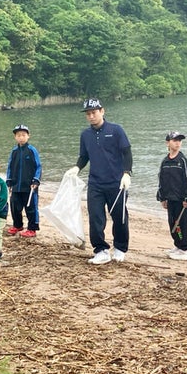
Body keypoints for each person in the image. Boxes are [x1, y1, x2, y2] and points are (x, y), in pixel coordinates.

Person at [65, 98, 133, 264]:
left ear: (102, 111)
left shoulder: (116, 130)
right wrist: (77, 168)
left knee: (119, 216)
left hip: (116, 182)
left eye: (94, 112)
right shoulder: (85, 135)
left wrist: (127, 173)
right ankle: (101, 250)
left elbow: (127, 152)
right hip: (95, 183)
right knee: (95, 217)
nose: (91, 116)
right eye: (88, 114)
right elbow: (84, 156)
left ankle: (120, 248)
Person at [156, 131, 187, 261]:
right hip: (170, 199)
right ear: (167, 143)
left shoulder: (182, 161)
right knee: (173, 223)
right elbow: (162, 180)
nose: (178, 143)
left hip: (181, 200)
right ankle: (178, 245)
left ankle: (184, 249)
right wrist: (162, 197)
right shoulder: (165, 161)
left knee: (181, 225)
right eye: (175, 140)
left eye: (179, 141)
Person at [6, 124, 42, 238]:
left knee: (31, 208)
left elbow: (38, 166)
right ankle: (18, 225)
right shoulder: (14, 151)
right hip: (16, 185)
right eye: (18, 135)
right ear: (15, 137)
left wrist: (36, 181)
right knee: (15, 206)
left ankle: (32, 228)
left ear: (28, 136)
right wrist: (9, 181)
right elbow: (10, 166)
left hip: (30, 186)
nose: (21, 137)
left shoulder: (32, 150)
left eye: (23, 135)